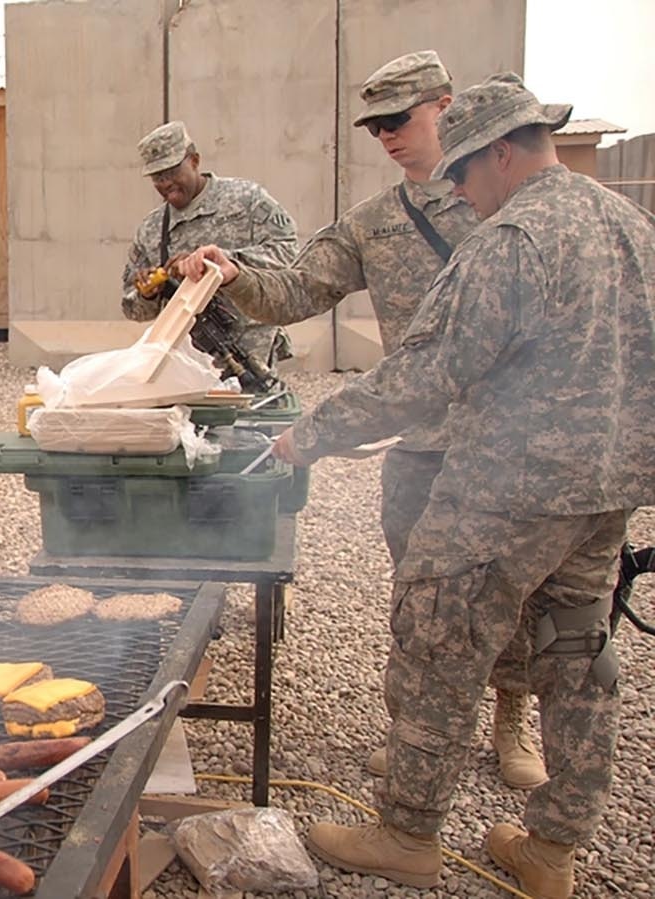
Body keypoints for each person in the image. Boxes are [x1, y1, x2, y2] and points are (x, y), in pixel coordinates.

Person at [263, 74, 655, 897]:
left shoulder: (512, 240)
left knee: (441, 635)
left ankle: (407, 829)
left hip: (509, 487)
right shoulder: (631, 224)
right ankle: (551, 851)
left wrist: (314, 436)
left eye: (465, 180)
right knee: (579, 655)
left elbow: (426, 374)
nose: (463, 198)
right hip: (606, 493)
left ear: (500, 156)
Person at [177, 51, 545, 790]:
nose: (386, 137)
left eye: (398, 120)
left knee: (520, 588)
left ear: (445, 106)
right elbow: (297, 289)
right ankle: (423, 737)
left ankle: (514, 722)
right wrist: (234, 271)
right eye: (375, 127)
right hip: (423, 441)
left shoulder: (518, 201)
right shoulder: (376, 223)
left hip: (514, 441)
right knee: (419, 596)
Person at [120, 120, 298, 377]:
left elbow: (288, 253)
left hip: (251, 355)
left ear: (194, 160)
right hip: (187, 365)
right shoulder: (151, 229)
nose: (166, 182)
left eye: (172, 172)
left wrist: (223, 263)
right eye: (158, 177)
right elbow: (131, 309)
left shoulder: (246, 200)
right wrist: (149, 293)